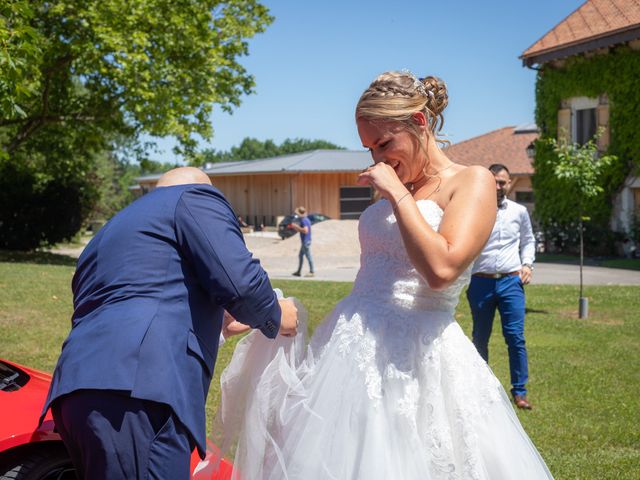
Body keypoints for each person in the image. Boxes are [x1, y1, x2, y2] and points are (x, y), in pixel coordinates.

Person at [214, 71, 554, 479]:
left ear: (420, 123)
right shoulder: (402, 183)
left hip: (419, 354)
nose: (377, 158)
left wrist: (395, 194)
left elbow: (442, 270)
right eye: (369, 148)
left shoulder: (471, 181)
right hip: (347, 348)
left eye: (384, 143)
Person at [40, 167, 298, 480]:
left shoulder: (111, 230)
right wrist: (276, 313)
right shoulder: (193, 197)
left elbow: (135, 296)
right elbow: (240, 283)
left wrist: (217, 324)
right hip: (138, 392)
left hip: (75, 389)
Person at [466, 164, 536, 410]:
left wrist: (527, 264)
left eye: (502, 182)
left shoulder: (519, 212)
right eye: (494, 181)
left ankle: (520, 392)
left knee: (515, 338)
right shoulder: (472, 211)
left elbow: (528, 240)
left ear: (509, 184)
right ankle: (480, 388)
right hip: (480, 282)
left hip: (510, 282)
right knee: (480, 337)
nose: (498, 186)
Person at [290, 206, 315, 277]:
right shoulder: (306, 219)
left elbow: (305, 230)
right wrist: (296, 228)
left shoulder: (304, 220)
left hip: (305, 241)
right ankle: (298, 271)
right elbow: (303, 230)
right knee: (300, 255)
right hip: (306, 241)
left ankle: (312, 271)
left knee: (308, 256)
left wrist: (296, 227)